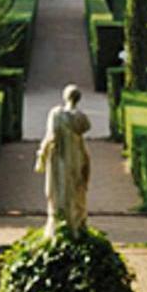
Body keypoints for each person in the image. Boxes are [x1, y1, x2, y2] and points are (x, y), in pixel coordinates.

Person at [35, 84, 91, 237]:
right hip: (77, 155)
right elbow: (84, 130)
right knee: (76, 188)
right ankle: (76, 226)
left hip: (60, 156)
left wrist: (42, 154)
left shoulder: (56, 114)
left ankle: (59, 227)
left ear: (65, 97)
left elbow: (51, 137)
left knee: (58, 190)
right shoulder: (82, 118)